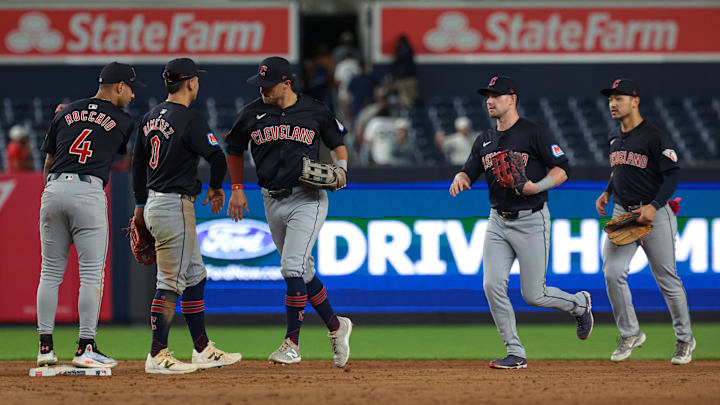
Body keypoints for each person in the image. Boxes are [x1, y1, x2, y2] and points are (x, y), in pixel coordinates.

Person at [448, 76, 593, 369]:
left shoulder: (533, 133)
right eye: (487, 95)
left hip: (531, 220)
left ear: (512, 99)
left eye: (497, 95)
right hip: (497, 221)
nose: (490, 100)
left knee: (534, 294)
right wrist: (461, 177)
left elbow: (563, 169)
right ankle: (515, 351)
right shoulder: (484, 140)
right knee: (491, 284)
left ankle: (579, 304)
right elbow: (469, 171)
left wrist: (536, 187)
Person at [225, 56, 353, 368]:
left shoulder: (314, 109)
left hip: (308, 197)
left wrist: (342, 169)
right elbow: (233, 148)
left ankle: (291, 344)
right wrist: (237, 189)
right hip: (271, 199)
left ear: (287, 82)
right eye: (261, 84)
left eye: (269, 85)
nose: (264, 90)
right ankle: (337, 327)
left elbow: (338, 142)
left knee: (291, 267)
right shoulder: (252, 112)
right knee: (303, 271)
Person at [132, 58, 241, 374]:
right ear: (191, 83)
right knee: (170, 283)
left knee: (195, 276)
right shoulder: (190, 119)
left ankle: (203, 349)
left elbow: (138, 166)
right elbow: (217, 158)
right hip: (174, 206)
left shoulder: (149, 118)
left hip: (153, 203)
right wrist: (217, 188)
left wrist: (140, 207)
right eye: (197, 80)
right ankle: (157, 354)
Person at [36, 62, 142, 368]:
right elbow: (113, 143)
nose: (133, 95)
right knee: (91, 274)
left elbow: (50, 161)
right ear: (119, 86)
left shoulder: (64, 112)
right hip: (88, 190)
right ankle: (85, 348)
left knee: (50, 272)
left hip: (54, 188)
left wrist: (51, 193)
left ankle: (45, 348)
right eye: (131, 89)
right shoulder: (124, 119)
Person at [596, 78, 695, 364]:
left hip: (654, 214)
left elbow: (673, 173)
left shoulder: (653, 136)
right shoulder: (614, 137)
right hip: (623, 214)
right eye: (611, 99)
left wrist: (654, 205)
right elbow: (619, 171)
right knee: (612, 273)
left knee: (667, 279)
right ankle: (630, 333)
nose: (613, 103)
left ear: (635, 101)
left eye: (620, 98)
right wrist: (607, 191)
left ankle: (685, 339)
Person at [392, 34, 417, 108]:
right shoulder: (403, 49)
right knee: (403, 98)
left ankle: (408, 111)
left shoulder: (407, 50)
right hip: (404, 77)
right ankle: (405, 110)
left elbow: (398, 60)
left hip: (407, 77)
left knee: (409, 98)